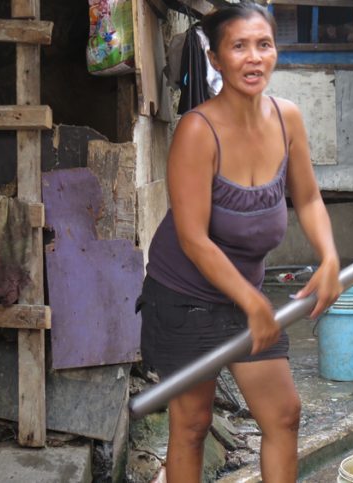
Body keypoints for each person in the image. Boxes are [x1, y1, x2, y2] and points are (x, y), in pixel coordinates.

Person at [137, 3, 342, 482]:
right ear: (215, 59)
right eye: (239, 46)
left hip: (244, 296)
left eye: (264, 44)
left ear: (276, 52)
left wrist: (329, 256)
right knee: (192, 424)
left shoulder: (287, 117)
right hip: (186, 298)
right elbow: (192, 238)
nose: (254, 58)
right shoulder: (197, 130)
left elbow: (308, 198)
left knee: (284, 415)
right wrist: (253, 301)